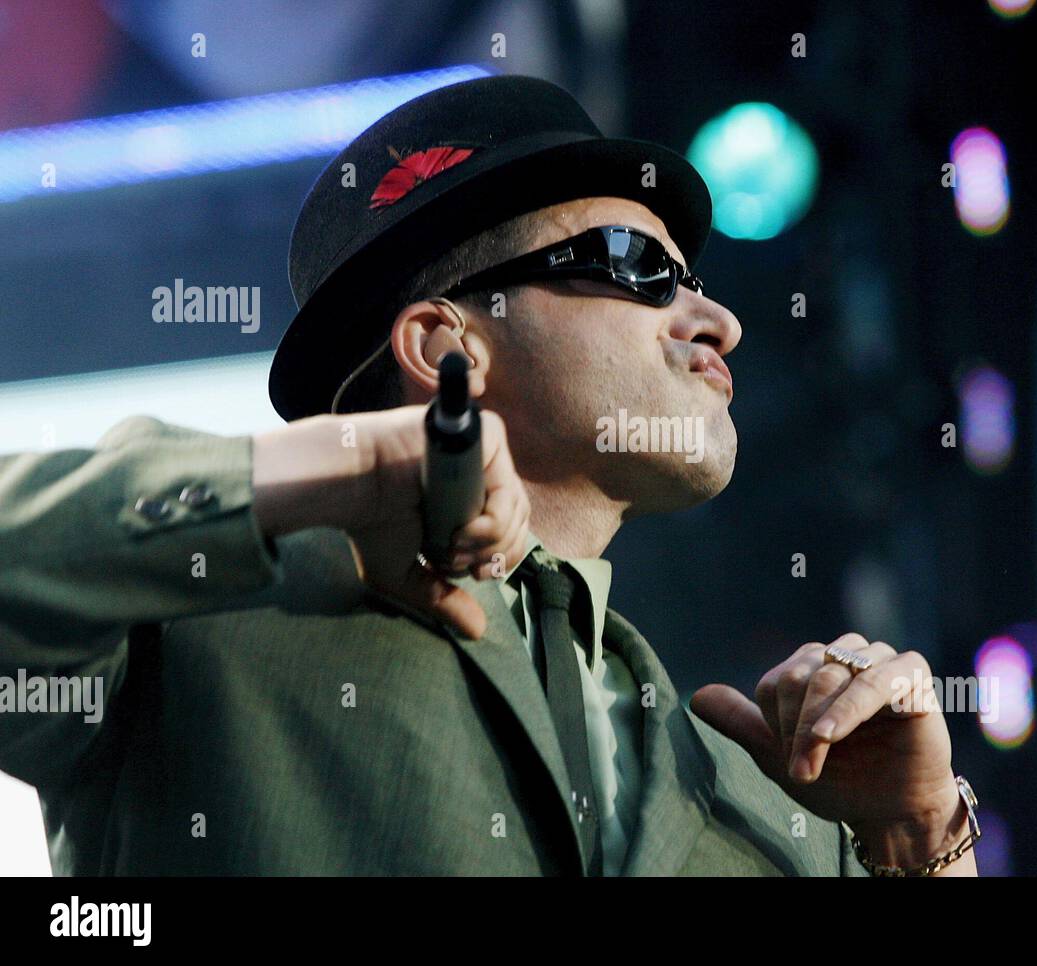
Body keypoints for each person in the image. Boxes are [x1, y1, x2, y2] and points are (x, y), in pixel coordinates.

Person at [0, 75, 977, 876]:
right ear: (443, 344)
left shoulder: (767, 793)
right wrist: (354, 465)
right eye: (637, 264)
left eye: (700, 283)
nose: (714, 320)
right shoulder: (205, 614)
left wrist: (920, 846)